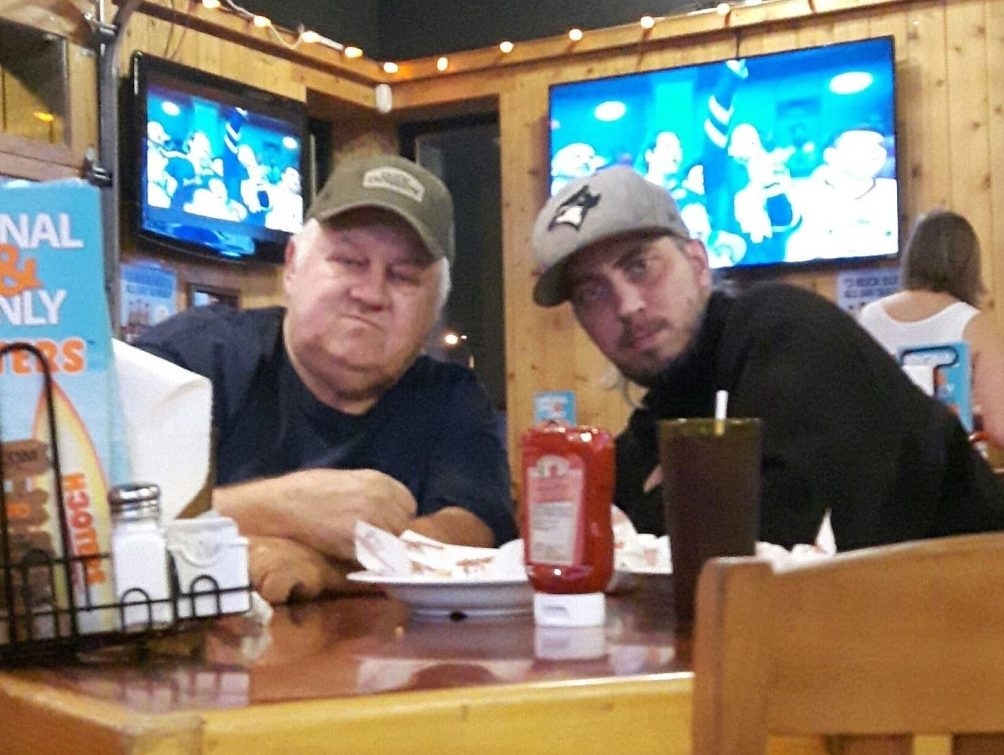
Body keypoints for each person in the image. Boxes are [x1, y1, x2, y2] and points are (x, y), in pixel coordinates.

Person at [530, 165, 1004, 551]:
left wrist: (658, 506)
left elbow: (769, 535)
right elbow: (579, 527)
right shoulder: (674, 402)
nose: (627, 305)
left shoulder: (783, 328)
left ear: (697, 264)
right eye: (592, 293)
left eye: (640, 265)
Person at [137, 153, 518, 603]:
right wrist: (282, 508)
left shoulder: (450, 398)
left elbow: (468, 533)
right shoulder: (191, 359)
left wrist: (320, 570)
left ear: (436, 310)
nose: (371, 293)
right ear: (294, 266)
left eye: (404, 276)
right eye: (349, 261)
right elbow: (94, 518)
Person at [858, 209, 1004, 447]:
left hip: (882, 471)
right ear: (969, 265)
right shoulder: (975, 324)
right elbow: (999, 427)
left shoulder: (868, 317)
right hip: (951, 471)